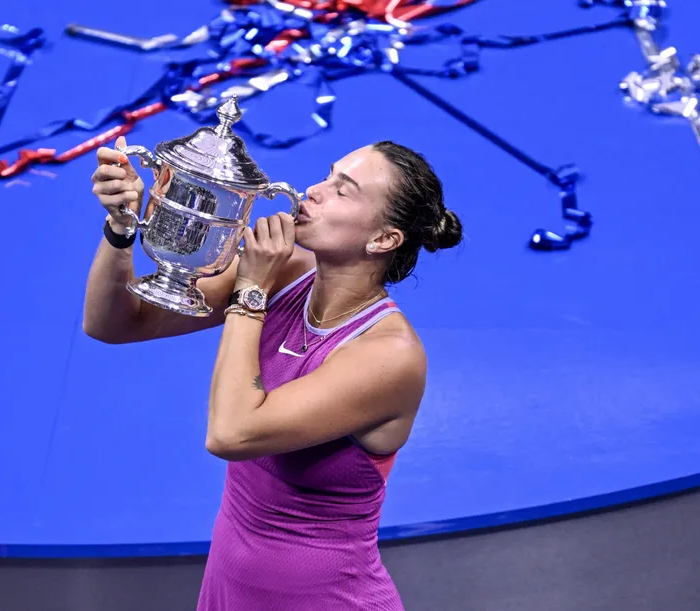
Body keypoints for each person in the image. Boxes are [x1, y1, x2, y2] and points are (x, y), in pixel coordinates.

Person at [84, 135, 463, 610]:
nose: (314, 191)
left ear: (383, 239)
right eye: (327, 175)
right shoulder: (287, 274)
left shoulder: (390, 355)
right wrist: (121, 228)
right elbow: (114, 324)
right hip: (228, 591)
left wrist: (250, 291)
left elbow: (231, 433)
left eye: (343, 190)